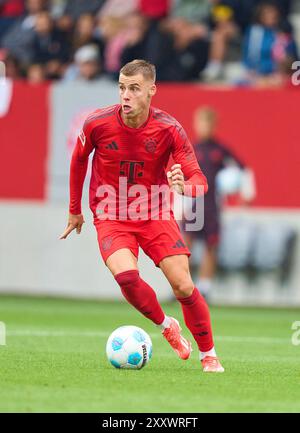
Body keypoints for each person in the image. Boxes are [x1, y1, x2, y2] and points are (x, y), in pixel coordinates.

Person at [60, 59, 224, 373]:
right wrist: (74, 210)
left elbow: (199, 181)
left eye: (134, 89)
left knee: (184, 286)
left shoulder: (169, 128)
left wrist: (183, 185)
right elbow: (79, 160)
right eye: (122, 87)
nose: (126, 95)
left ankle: (209, 355)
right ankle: (166, 326)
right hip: (111, 213)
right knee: (126, 276)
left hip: (155, 212)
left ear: (151, 91)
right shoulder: (97, 123)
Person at [183, 107, 253, 299]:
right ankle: (183, 286)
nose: (202, 127)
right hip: (193, 206)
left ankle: (204, 288)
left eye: (206, 123)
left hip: (212, 206)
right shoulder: (191, 149)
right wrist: (179, 205)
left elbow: (243, 169)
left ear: (213, 126)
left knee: (210, 246)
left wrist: (246, 194)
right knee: (183, 246)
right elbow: (181, 177)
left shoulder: (220, 150)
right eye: (200, 123)